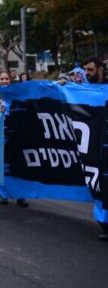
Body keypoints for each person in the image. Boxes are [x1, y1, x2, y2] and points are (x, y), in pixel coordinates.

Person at [0, 71, 29, 208]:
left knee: (19, 165)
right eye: (2, 79)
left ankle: (21, 196)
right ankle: (3, 194)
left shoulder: (17, 94)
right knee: (0, 165)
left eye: (7, 79)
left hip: (16, 135)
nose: (5, 81)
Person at [80, 56, 108, 240]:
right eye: (85, 70)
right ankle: (104, 223)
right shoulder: (81, 90)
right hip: (94, 146)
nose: (86, 74)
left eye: (90, 70)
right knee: (98, 183)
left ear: (100, 69)